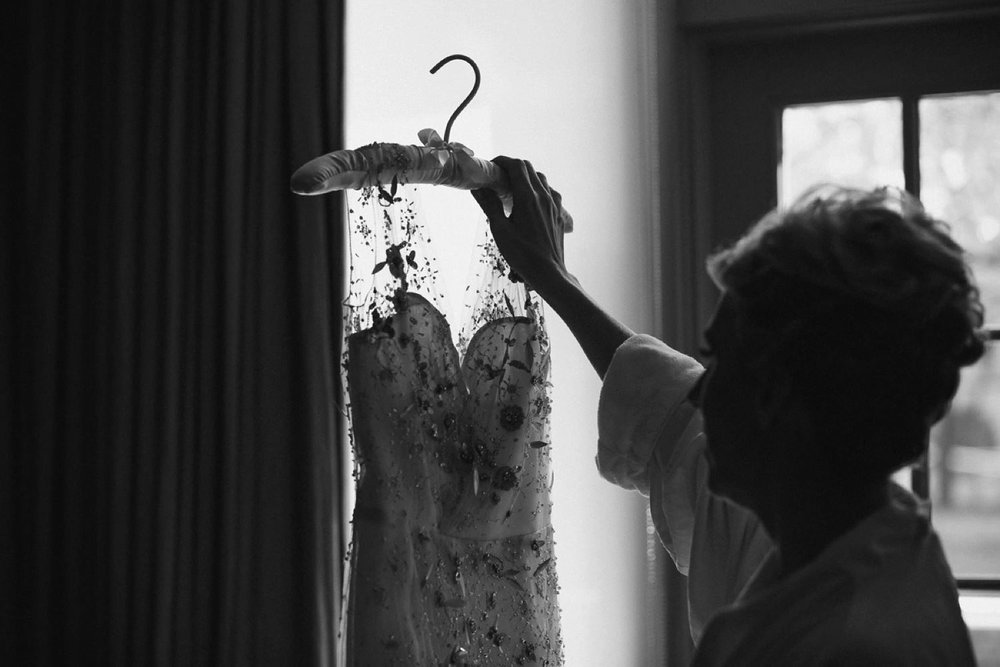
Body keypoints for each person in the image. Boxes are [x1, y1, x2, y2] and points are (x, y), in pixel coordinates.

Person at [472, 158, 984, 665]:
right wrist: (558, 281)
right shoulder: (861, 527)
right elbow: (670, 412)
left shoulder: (844, 646)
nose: (702, 393)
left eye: (720, 364)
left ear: (775, 395)